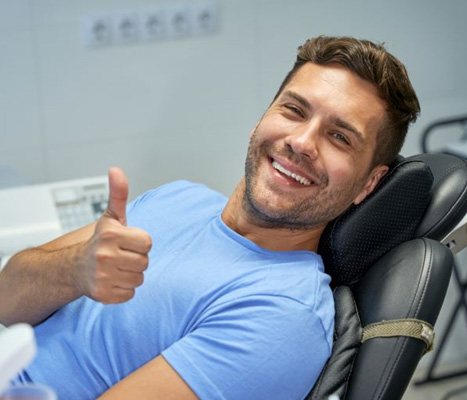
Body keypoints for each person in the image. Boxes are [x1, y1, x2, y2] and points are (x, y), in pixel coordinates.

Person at [0, 35, 420, 399]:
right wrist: (74, 270)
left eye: (340, 137)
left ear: (368, 183)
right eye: (294, 110)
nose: (301, 142)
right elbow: (6, 298)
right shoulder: (178, 199)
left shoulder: (282, 316)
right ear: (264, 116)